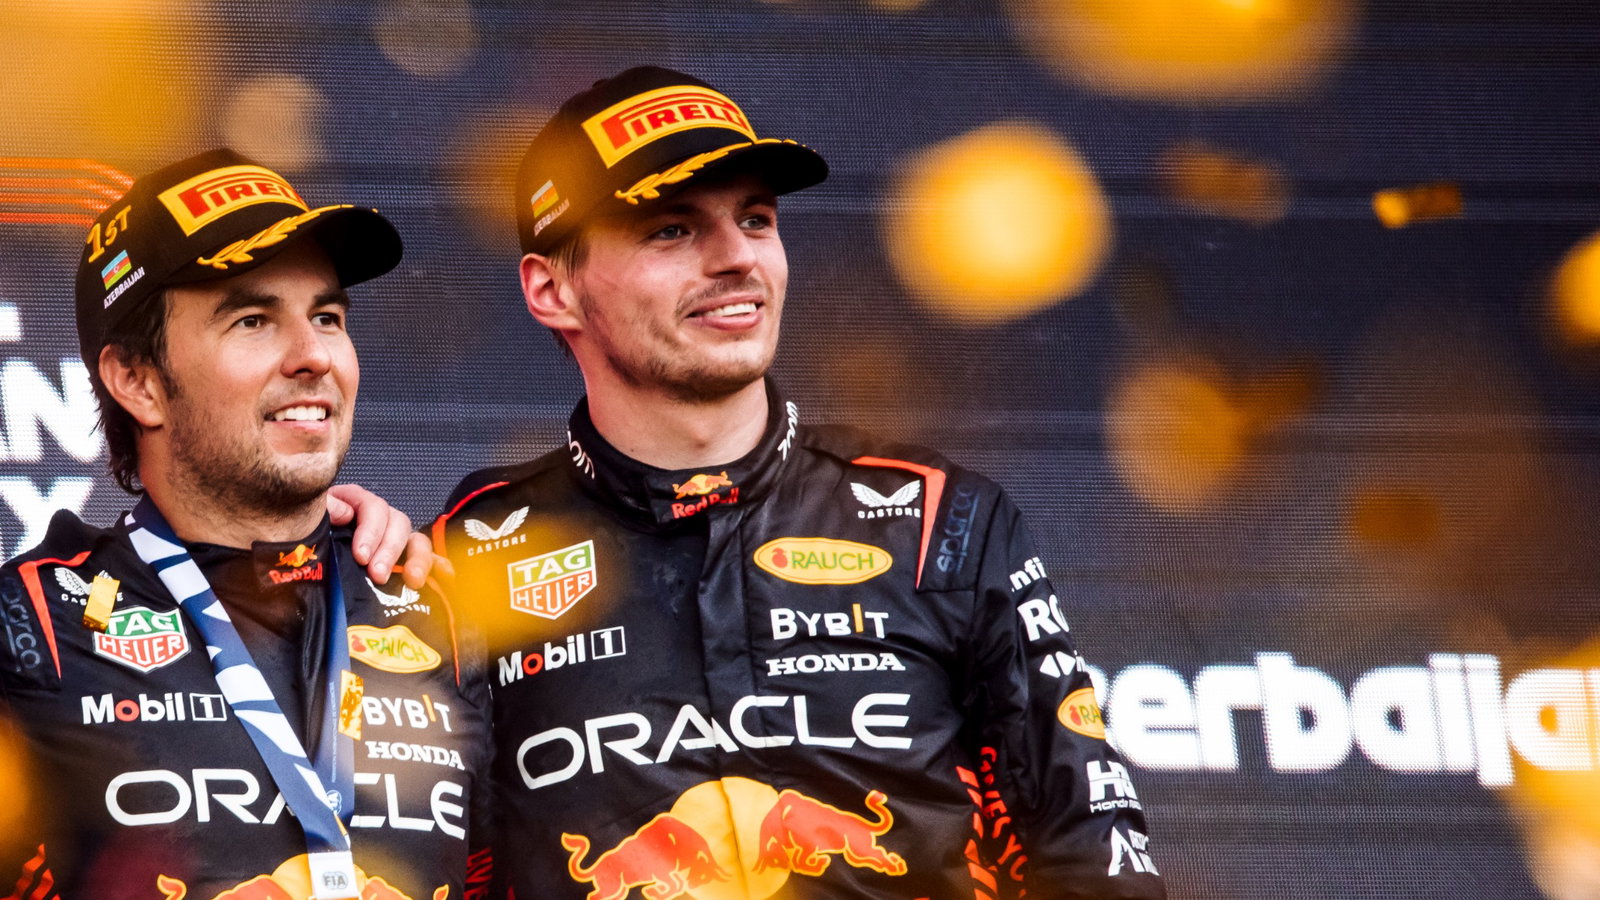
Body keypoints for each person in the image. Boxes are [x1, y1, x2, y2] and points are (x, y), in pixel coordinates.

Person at [433, 67, 1165, 899]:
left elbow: (1090, 853)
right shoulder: (466, 555)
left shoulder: (938, 520)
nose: (738, 256)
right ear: (551, 288)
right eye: (672, 230)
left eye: (756, 219)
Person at [0, 149, 489, 900]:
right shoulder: (30, 631)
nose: (314, 356)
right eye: (254, 320)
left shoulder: (438, 609)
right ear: (138, 380)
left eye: (327, 316)